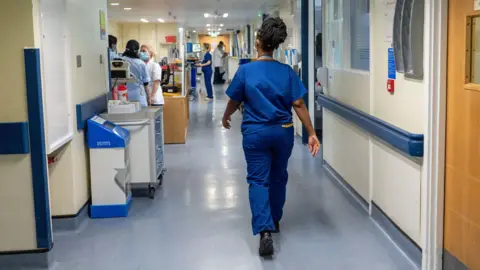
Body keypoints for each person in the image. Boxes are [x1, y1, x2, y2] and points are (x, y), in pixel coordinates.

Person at [222, 17, 321, 257]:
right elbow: (298, 103)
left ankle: (264, 230)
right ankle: (275, 220)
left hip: (255, 133)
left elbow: (235, 100)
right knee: (278, 177)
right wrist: (311, 133)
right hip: (283, 132)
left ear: (258, 43)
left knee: (258, 180)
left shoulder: (246, 70)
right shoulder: (286, 71)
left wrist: (226, 116)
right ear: (275, 45)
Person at [122, 40, 151, 107]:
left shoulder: (120, 61)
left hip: (123, 96)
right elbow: (146, 84)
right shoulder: (141, 64)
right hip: (138, 97)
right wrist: (149, 99)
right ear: (137, 51)